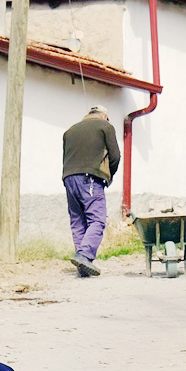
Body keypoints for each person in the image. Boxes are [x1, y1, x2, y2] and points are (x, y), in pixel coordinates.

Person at [59, 105, 122, 277]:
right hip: (91, 178)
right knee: (97, 219)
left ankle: (83, 265)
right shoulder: (105, 126)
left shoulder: (70, 131)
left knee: (78, 221)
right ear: (103, 116)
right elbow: (115, 156)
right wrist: (108, 175)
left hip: (69, 178)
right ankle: (84, 255)